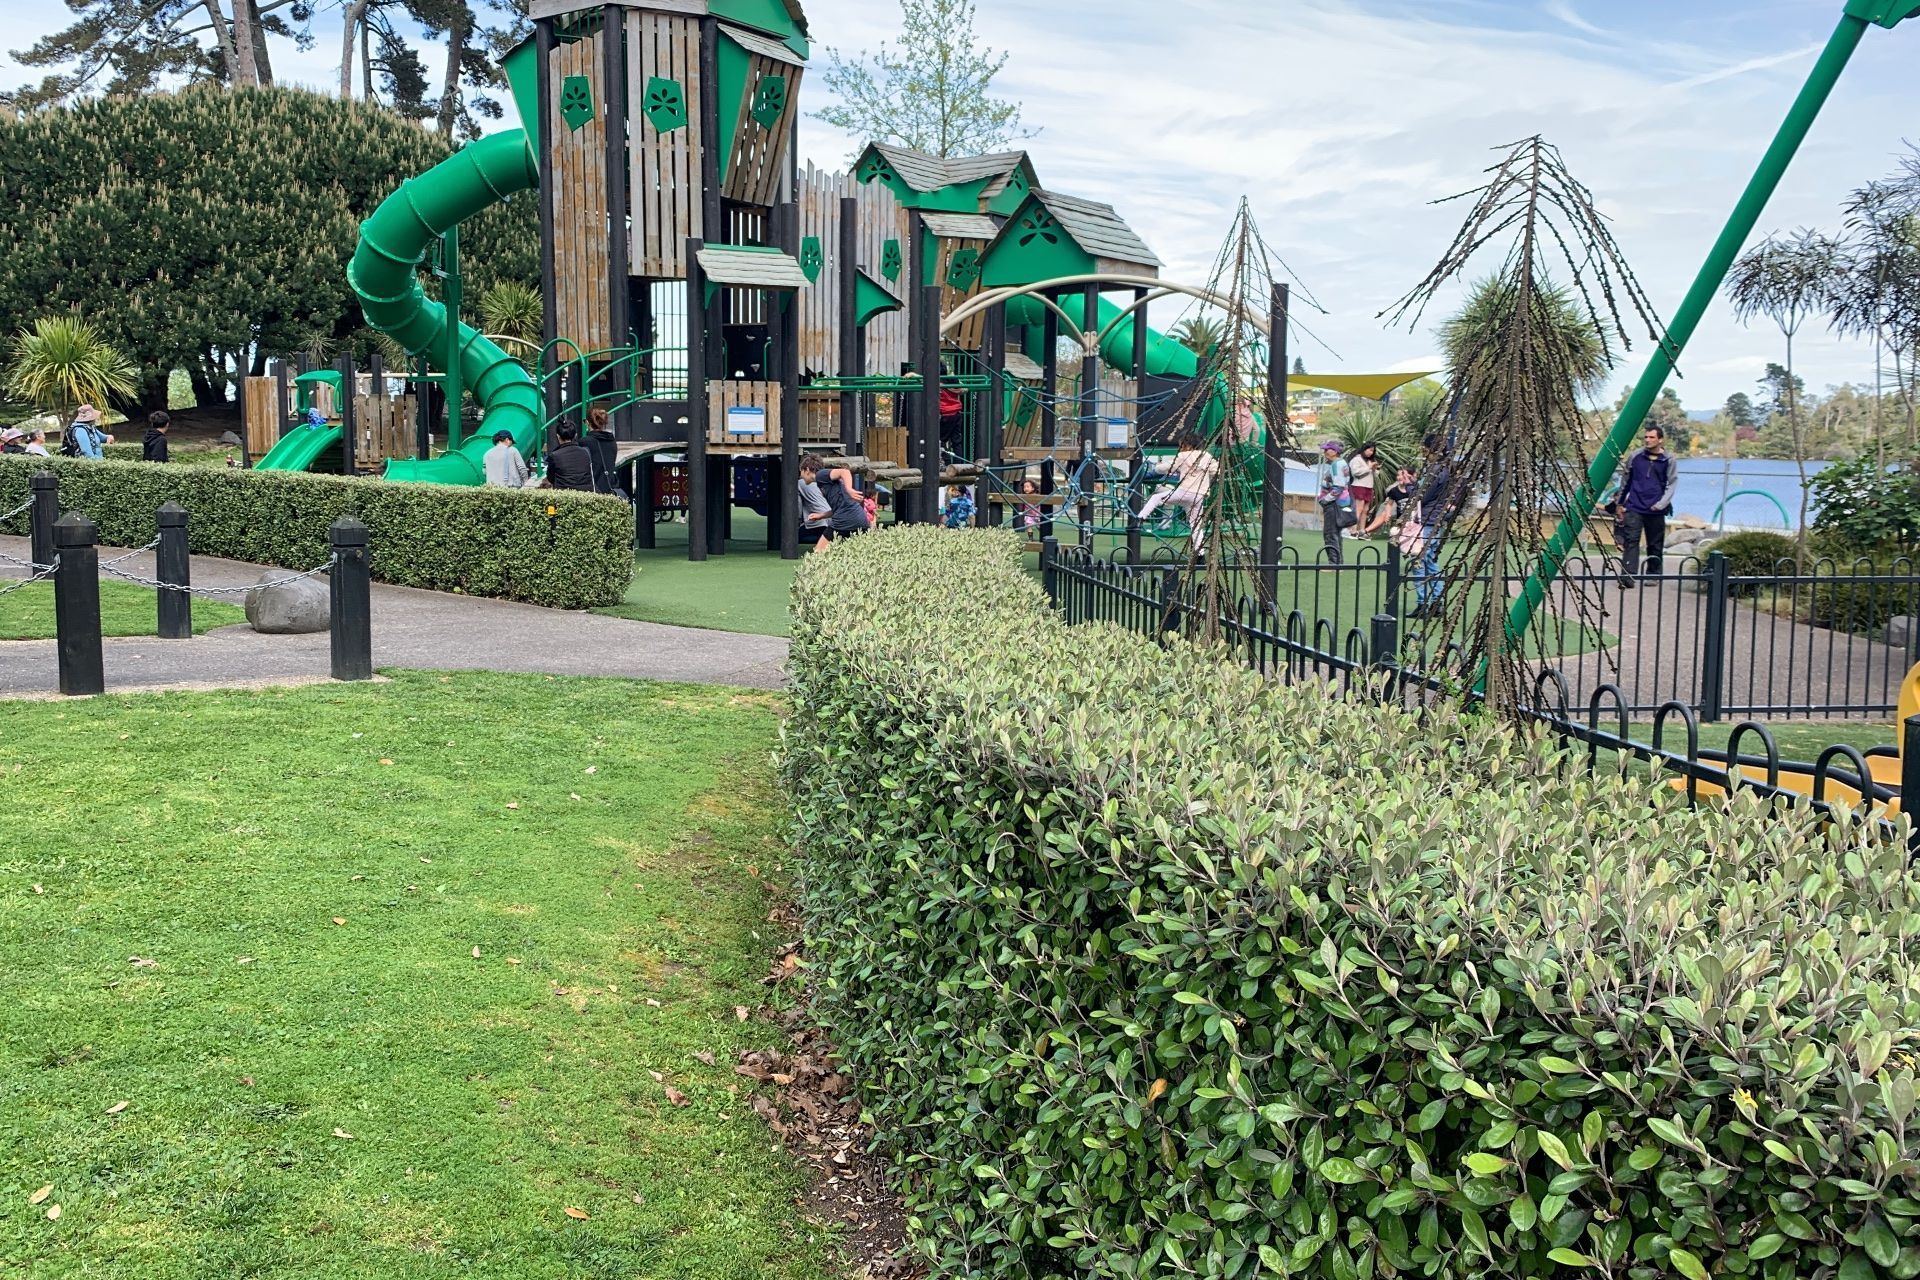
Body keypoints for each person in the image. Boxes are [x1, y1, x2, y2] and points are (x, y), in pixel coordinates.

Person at [1614, 425, 1678, 587]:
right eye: (1646, 437)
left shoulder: (1669, 460)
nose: (1648, 440)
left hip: (1656, 509)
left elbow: (1672, 483)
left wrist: (1661, 504)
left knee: (1655, 543)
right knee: (1631, 541)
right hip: (1634, 507)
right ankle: (1628, 576)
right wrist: (1620, 503)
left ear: (1660, 440)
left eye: (1652, 437)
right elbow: (1626, 481)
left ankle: (1653, 574)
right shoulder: (1635, 456)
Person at [1137, 434, 1218, 552]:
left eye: (1182, 446)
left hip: (1184, 492)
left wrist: (1156, 468)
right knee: (1196, 525)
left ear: (1188, 445)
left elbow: (1166, 467)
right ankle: (1200, 554)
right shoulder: (1207, 457)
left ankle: (1139, 519)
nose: (1180, 448)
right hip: (1199, 496)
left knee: (1156, 498)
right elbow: (1216, 471)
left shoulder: (1183, 456)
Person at [1410, 434, 1457, 620]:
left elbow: (1423, 495)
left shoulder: (1436, 470)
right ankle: (1436, 602)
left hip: (1428, 519)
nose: (1424, 453)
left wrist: (1413, 491)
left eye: (1425, 449)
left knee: (1419, 561)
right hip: (1435, 519)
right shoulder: (1445, 469)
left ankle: (1424, 603)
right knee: (1429, 561)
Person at [797, 453, 870, 550]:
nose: (800, 476)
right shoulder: (822, 482)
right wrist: (821, 516)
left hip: (844, 520)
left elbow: (844, 472)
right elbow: (838, 507)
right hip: (860, 518)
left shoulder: (820, 475)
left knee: (818, 552)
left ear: (806, 470)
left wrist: (849, 489)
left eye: (800, 471)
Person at [1315, 439, 1354, 565]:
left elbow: (1338, 487)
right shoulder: (1341, 463)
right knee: (1335, 533)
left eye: (1327, 449)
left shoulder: (1337, 465)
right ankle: (1338, 563)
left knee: (1330, 533)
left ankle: (1334, 563)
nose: (1325, 452)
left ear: (1335, 451)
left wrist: (1325, 500)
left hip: (1334, 504)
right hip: (1339, 503)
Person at [1363, 466, 1417, 537]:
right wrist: (1388, 514)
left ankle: (1367, 531)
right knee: (1385, 514)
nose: (1400, 477)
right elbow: (1389, 504)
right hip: (1401, 519)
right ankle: (1366, 531)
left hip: (1414, 519)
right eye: (1398, 475)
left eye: (1403, 475)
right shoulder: (1394, 490)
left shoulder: (1415, 489)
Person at [583, 406, 624, 499]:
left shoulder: (585, 442)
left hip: (593, 490)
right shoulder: (612, 441)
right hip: (610, 488)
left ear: (588, 423)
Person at [542, 422, 595, 492]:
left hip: (564, 493)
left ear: (558, 436)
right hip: (586, 493)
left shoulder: (554, 455)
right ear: (575, 435)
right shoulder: (586, 452)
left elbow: (550, 478)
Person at [1347, 443, 1379, 536]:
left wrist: (1374, 469)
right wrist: (1369, 467)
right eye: (1369, 450)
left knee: (1365, 510)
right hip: (1359, 485)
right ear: (1364, 449)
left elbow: (1375, 475)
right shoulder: (1356, 459)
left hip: (1369, 486)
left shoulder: (1370, 461)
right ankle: (1353, 530)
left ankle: (1362, 530)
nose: (1371, 452)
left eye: (1372, 451)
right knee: (1359, 508)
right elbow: (1356, 472)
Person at [797, 466, 832, 547]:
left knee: (792, 537)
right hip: (830, 519)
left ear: (807, 470)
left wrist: (797, 521)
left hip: (818, 522)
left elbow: (798, 506)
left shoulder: (800, 483)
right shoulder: (822, 482)